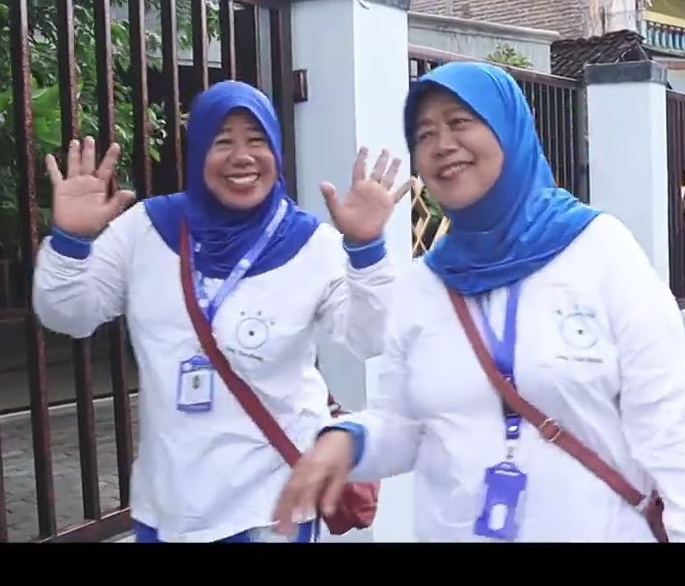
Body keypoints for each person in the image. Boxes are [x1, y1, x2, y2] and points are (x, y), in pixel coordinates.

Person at [270, 61, 685, 543]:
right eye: (425, 133)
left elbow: (670, 420)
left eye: (460, 122)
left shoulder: (600, 250)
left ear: (507, 128)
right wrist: (347, 441)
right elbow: (405, 423)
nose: (442, 144)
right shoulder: (424, 286)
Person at [31, 80, 410, 543]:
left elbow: (373, 337)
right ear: (197, 153)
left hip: (271, 510)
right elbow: (67, 314)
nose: (242, 156)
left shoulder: (310, 243)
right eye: (223, 140)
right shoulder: (147, 231)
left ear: (275, 150)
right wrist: (70, 241)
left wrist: (367, 250)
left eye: (256, 140)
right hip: (167, 508)